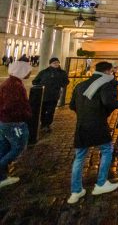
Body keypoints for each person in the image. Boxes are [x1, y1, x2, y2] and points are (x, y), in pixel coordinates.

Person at [68, 61, 118, 204]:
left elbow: (72, 105)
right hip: (98, 124)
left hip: (82, 125)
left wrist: (84, 114)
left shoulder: (81, 85)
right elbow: (108, 102)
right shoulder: (104, 84)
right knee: (107, 150)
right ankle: (101, 183)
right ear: (108, 71)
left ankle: (75, 191)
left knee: (79, 157)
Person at [0, 60, 32, 189]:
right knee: (18, 146)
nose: (29, 73)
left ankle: (2, 177)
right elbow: (12, 105)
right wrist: (26, 114)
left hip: (5, 121)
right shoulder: (15, 86)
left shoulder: (10, 83)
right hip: (13, 123)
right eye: (28, 71)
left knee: (4, 147)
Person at [32, 57, 69, 132]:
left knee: (51, 111)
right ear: (50, 64)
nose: (56, 64)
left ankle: (47, 125)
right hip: (44, 95)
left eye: (57, 62)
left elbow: (66, 82)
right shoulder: (44, 72)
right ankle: (43, 123)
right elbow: (35, 81)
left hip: (54, 95)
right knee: (43, 110)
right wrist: (41, 86)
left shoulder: (62, 72)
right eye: (54, 63)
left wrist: (60, 85)